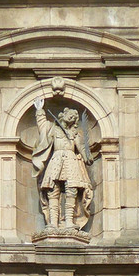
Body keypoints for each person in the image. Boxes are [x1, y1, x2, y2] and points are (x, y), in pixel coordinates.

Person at [32, 98, 94, 230]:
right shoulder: (52, 128)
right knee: (53, 190)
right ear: (63, 115)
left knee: (72, 190)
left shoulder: (75, 133)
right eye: (70, 115)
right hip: (56, 159)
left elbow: (81, 147)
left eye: (74, 117)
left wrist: (87, 157)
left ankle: (69, 222)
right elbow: (42, 125)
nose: (72, 117)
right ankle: (53, 223)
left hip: (71, 161)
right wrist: (40, 111)